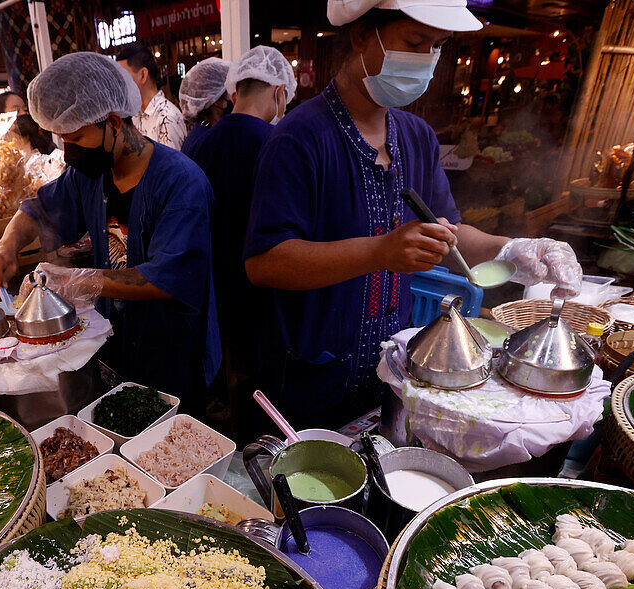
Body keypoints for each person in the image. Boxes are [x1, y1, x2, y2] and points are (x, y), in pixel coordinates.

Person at [243, 0, 583, 429]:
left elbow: (447, 232)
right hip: (311, 375)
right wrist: (379, 252)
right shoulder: (300, 138)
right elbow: (265, 263)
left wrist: (515, 249)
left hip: (391, 368)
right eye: (415, 41)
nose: (426, 59)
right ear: (362, 35)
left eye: (437, 45)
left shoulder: (416, 137)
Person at [0, 52, 220, 405]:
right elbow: (38, 210)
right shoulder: (89, 175)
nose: (68, 151)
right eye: (61, 139)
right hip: (117, 341)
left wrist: (81, 280)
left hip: (174, 350)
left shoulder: (181, 184)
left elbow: (166, 277)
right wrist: (6, 246)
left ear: (113, 121)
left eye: (75, 137)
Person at [185, 46, 295, 382]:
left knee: (234, 370)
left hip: (216, 283)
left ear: (234, 91)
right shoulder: (276, 143)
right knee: (266, 381)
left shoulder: (200, 141)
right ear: (279, 92)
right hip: (263, 289)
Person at [115, 42, 187, 150]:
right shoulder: (134, 115)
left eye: (123, 77)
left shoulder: (167, 117)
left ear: (143, 75)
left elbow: (171, 165)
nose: (119, 84)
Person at [179, 57, 231, 159]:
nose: (235, 97)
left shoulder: (202, 134)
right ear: (216, 100)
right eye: (231, 91)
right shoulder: (208, 143)